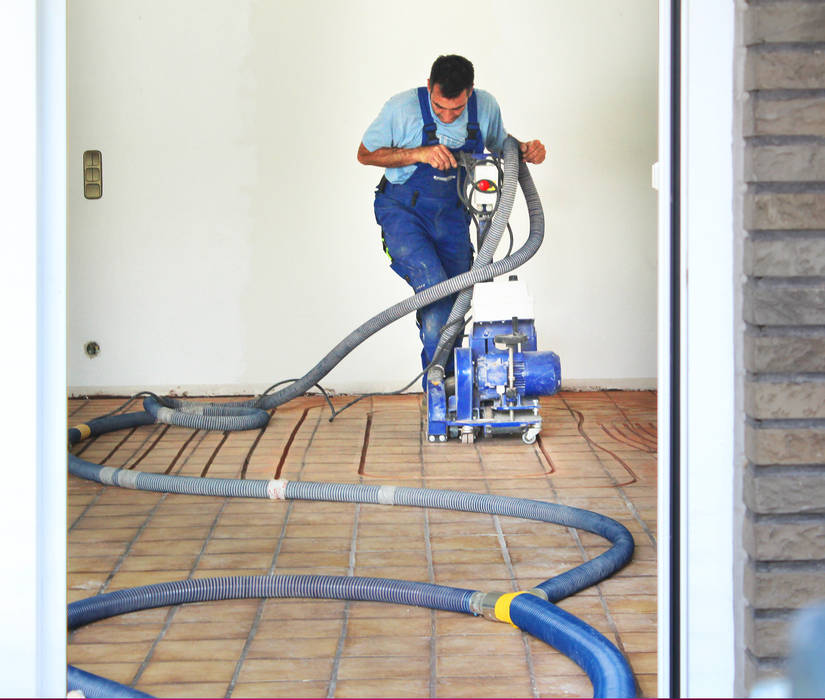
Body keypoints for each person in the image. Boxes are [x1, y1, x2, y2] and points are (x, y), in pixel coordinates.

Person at [358, 54, 546, 379]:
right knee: (438, 295)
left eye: (456, 109)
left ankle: (453, 390)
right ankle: (436, 393)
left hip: (452, 217)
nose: (447, 116)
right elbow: (365, 154)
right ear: (430, 87)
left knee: (463, 297)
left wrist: (524, 148)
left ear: (469, 93)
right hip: (403, 214)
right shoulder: (400, 109)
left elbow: (502, 145)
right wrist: (419, 153)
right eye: (439, 107)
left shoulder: (484, 107)